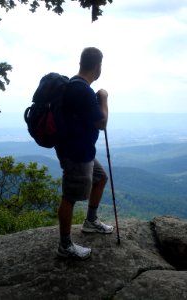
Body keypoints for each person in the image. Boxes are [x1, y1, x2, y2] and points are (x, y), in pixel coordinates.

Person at [55, 47, 113, 260]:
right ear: (98, 66)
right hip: (76, 152)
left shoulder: (75, 86)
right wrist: (104, 99)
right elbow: (101, 122)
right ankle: (65, 245)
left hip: (82, 150)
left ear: (81, 63)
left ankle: (90, 221)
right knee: (69, 197)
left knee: (100, 177)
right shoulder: (82, 90)